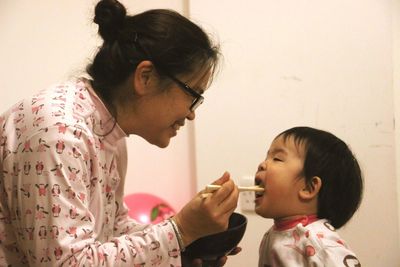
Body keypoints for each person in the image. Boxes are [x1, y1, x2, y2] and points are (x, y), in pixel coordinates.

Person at [0, 0, 239, 266]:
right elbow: (68, 263)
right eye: (193, 94)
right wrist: (180, 231)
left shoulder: (107, 128)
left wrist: (187, 248)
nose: (192, 113)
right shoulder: (60, 131)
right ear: (145, 77)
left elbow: (111, 230)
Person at [254, 126, 363, 266]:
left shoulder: (321, 245)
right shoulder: (271, 236)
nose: (262, 165)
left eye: (277, 159)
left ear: (308, 188)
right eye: (266, 157)